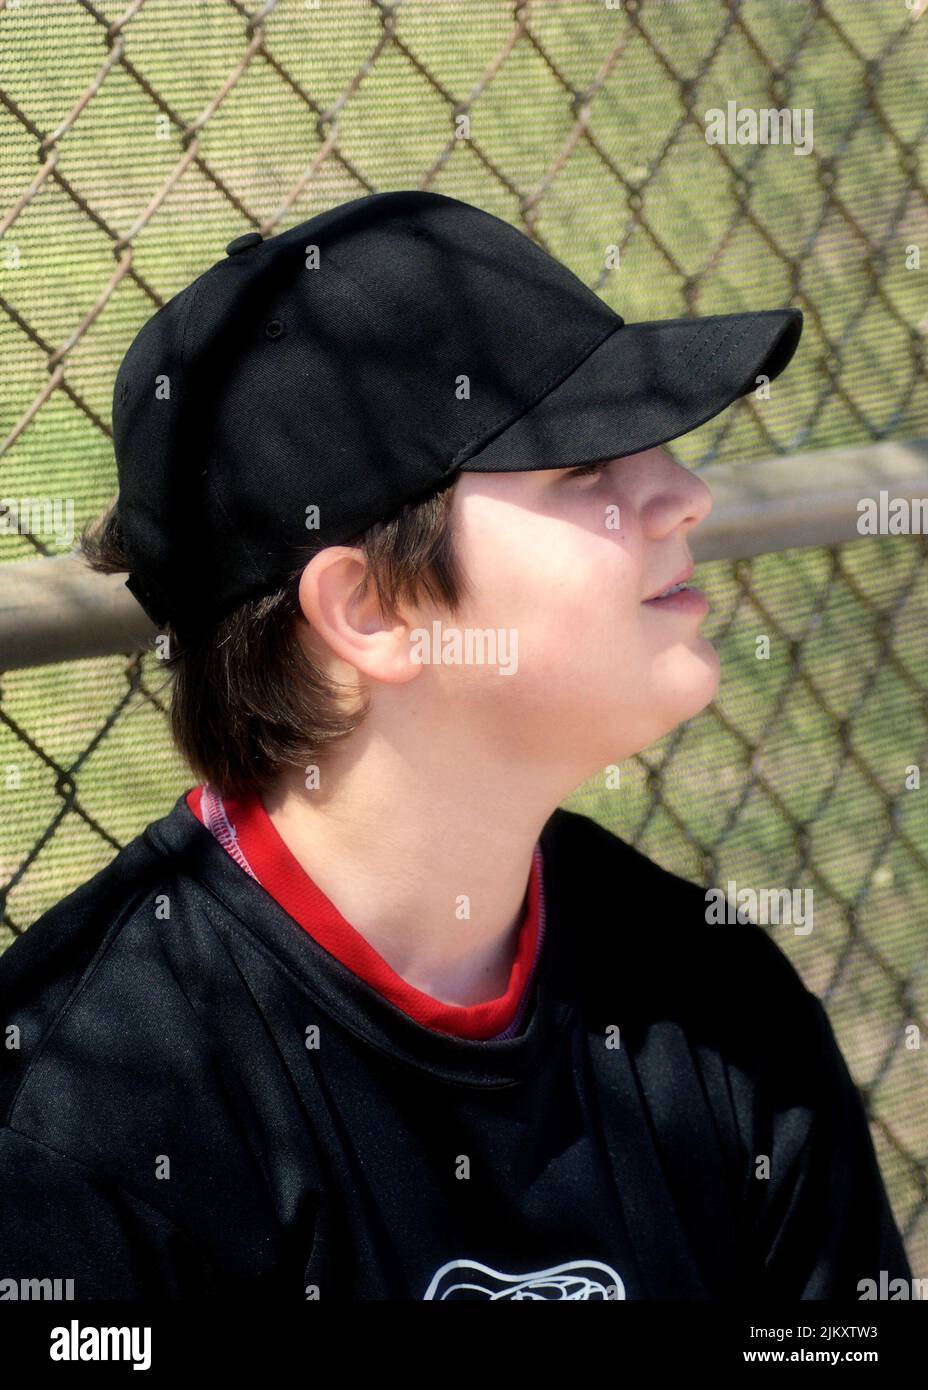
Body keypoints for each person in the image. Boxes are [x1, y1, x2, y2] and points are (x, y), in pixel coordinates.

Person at [0, 190, 911, 1301]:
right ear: (370, 611)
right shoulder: (82, 1121)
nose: (681, 493)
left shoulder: (716, 1003)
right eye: (587, 466)